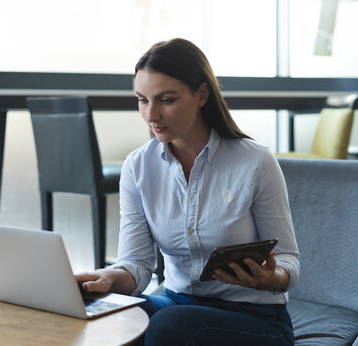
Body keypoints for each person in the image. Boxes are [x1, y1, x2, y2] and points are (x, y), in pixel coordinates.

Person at [75, 38, 300, 345]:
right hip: (176, 302)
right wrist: (108, 279)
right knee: (101, 311)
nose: (151, 115)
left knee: (170, 325)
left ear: (202, 95)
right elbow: (137, 266)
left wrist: (270, 279)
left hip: (255, 318)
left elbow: (289, 260)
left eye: (165, 100)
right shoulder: (138, 167)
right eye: (142, 100)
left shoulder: (255, 162)